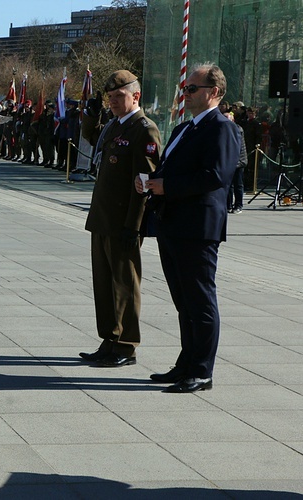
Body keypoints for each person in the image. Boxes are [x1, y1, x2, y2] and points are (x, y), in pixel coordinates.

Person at [138, 63, 240, 393]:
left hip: (198, 227)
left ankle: (202, 370)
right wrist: (153, 184)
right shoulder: (185, 128)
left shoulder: (222, 128)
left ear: (214, 92)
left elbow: (216, 176)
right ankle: (185, 364)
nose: (187, 93)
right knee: (183, 301)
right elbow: (171, 167)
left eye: (193, 89)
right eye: (185, 88)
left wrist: (169, 186)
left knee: (200, 301)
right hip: (173, 223)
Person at [79, 70, 161, 367]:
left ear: (135, 96)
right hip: (102, 218)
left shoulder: (144, 129)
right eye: (110, 97)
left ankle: (126, 345)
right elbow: (91, 137)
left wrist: (134, 225)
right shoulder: (115, 126)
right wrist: (90, 114)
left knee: (125, 285)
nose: (112, 102)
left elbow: (143, 182)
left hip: (123, 222)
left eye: (119, 96)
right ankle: (109, 338)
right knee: (104, 284)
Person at [224, 112, 247, 214]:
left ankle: (238, 205)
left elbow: (236, 147)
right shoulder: (224, 129)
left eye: (227, 118)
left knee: (238, 184)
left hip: (238, 161)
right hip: (228, 161)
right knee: (228, 185)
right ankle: (228, 205)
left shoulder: (237, 129)